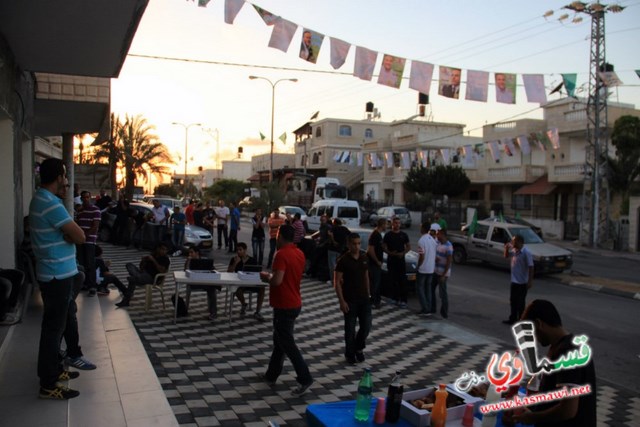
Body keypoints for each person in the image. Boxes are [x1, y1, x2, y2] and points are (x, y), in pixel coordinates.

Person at [30, 158, 86, 399]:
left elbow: (70, 235)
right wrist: (69, 236)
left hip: (53, 272)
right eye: (64, 175)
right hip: (57, 275)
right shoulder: (51, 204)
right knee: (53, 329)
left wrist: (67, 237)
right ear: (59, 177)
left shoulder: (41, 199)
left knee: (55, 326)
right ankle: (48, 384)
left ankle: (53, 370)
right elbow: (81, 236)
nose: (66, 180)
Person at [511, 300, 596, 427]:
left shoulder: (568, 352)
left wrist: (533, 417)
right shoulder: (559, 346)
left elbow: (568, 411)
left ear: (539, 324)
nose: (534, 339)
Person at [259, 224, 313, 396]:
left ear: (280, 236)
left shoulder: (281, 254)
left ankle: (305, 378)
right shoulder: (299, 253)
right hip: (295, 302)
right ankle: (271, 375)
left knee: (287, 344)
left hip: (284, 305)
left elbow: (277, 281)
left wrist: (266, 276)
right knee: (279, 342)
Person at [334, 233, 371, 364]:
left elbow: (366, 276)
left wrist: (369, 293)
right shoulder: (343, 260)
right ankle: (350, 353)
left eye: (358, 243)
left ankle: (358, 347)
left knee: (366, 326)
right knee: (349, 328)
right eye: (354, 244)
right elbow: (337, 281)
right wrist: (341, 301)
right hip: (350, 299)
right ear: (349, 244)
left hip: (364, 299)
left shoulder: (364, 257)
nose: (357, 246)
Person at [115, 242, 170, 308]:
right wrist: (143, 261)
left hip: (152, 278)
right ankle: (136, 277)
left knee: (132, 280)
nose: (163, 251)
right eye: (162, 249)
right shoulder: (153, 255)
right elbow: (141, 267)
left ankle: (126, 301)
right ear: (158, 248)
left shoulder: (165, 259)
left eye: (165, 250)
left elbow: (162, 271)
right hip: (142, 273)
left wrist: (153, 260)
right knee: (129, 265)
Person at [229, 242, 265, 322]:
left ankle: (258, 311)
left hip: (250, 282)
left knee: (262, 288)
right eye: (237, 250)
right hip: (240, 283)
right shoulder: (234, 259)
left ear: (245, 250)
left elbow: (257, 271)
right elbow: (229, 272)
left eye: (240, 250)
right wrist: (235, 263)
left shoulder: (252, 260)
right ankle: (244, 303)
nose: (238, 252)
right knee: (237, 290)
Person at [503, 234, 533, 325]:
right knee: (513, 301)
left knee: (520, 303)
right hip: (514, 281)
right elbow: (506, 256)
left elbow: (531, 267)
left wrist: (530, 281)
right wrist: (506, 248)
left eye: (514, 241)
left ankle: (521, 320)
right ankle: (512, 318)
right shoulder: (515, 250)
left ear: (520, 242)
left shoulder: (526, 252)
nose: (512, 242)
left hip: (522, 283)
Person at [75, 190, 101, 296]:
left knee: (90, 263)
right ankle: (85, 284)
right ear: (81, 199)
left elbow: (95, 226)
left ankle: (92, 286)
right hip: (80, 241)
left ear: (90, 198)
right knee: (82, 262)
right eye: (83, 197)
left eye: (87, 197)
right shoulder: (80, 211)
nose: (85, 199)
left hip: (89, 241)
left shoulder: (96, 210)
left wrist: (84, 236)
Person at [382, 217, 411, 307]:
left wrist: (403, 253)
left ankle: (403, 300)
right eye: (395, 223)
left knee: (402, 280)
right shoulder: (388, 235)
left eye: (398, 223)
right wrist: (390, 253)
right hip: (391, 260)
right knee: (392, 280)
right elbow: (383, 247)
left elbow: (408, 247)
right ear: (392, 224)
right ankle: (394, 298)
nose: (397, 225)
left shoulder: (404, 235)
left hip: (401, 260)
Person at [185, 246, 218, 321]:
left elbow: (214, 269)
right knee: (212, 287)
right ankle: (213, 310)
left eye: (191, 252)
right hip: (193, 283)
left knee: (212, 288)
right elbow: (185, 271)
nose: (190, 254)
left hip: (204, 282)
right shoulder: (189, 261)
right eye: (189, 252)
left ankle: (213, 312)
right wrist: (188, 261)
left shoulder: (204, 260)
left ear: (197, 253)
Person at [416, 222, 437, 316]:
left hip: (423, 268)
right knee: (428, 288)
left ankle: (425, 308)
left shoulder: (421, 241)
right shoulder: (432, 240)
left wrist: (418, 265)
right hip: (431, 268)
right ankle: (428, 308)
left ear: (423, 228)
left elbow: (422, 256)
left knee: (420, 288)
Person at [367, 218, 386, 309]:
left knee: (376, 283)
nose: (387, 226)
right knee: (374, 283)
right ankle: (373, 301)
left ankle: (376, 301)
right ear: (382, 225)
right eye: (386, 224)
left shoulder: (378, 235)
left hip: (376, 263)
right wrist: (377, 261)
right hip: (373, 264)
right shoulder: (375, 235)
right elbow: (370, 250)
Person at [434, 228, 453, 319]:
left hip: (442, 274)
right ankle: (432, 308)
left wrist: (443, 274)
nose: (437, 236)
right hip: (436, 271)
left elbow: (449, 261)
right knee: (431, 289)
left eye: (438, 234)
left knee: (443, 294)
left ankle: (444, 312)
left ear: (443, 235)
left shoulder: (448, 246)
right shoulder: (438, 244)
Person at [327, 218, 350, 286]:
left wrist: (333, 241)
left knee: (332, 265)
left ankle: (333, 280)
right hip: (340, 249)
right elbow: (350, 235)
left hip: (332, 249)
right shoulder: (344, 229)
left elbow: (330, 234)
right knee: (339, 265)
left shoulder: (333, 228)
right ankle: (340, 280)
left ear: (335, 223)